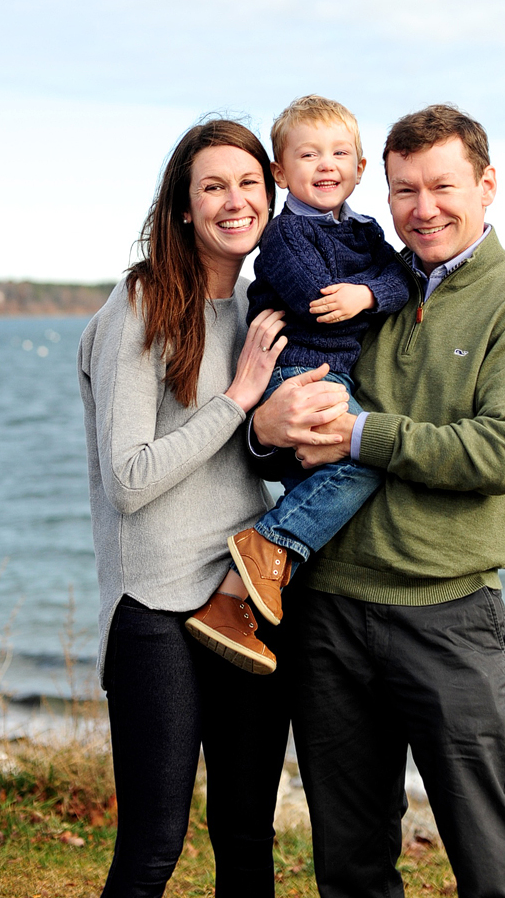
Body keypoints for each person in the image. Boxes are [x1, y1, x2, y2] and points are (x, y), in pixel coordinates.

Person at [252, 105, 505, 898]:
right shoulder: (366, 286)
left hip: (448, 616)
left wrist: (364, 436)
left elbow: (498, 453)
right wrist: (262, 429)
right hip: (327, 612)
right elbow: (287, 418)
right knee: (351, 865)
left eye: (442, 186)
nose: (423, 208)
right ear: (382, 191)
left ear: (487, 185)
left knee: (492, 863)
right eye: (404, 190)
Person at [78, 119, 317, 897]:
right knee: (154, 844)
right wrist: (239, 398)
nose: (234, 200)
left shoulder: (260, 309)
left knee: (247, 838)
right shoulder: (142, 300)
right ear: (184, 206)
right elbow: (130, 478)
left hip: (241, 598)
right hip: (154, 604)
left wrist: (281, 428)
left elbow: (251, 458)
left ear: (271, 195)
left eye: (249, 183)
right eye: (213, 185)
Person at [186, 96, 411, 668]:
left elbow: (400, 279)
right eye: (309, 154)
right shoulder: (286, 234)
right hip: (298, 368)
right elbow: (316, 303)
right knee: (363, 457)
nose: (326, 164)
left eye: (340, 153)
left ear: (361, 169)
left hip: (325, 370)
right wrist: (364, 295)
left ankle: (231, 603)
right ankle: (266, 546)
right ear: (281, 173)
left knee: (331, 473)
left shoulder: (364, 231)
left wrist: (367, 292)